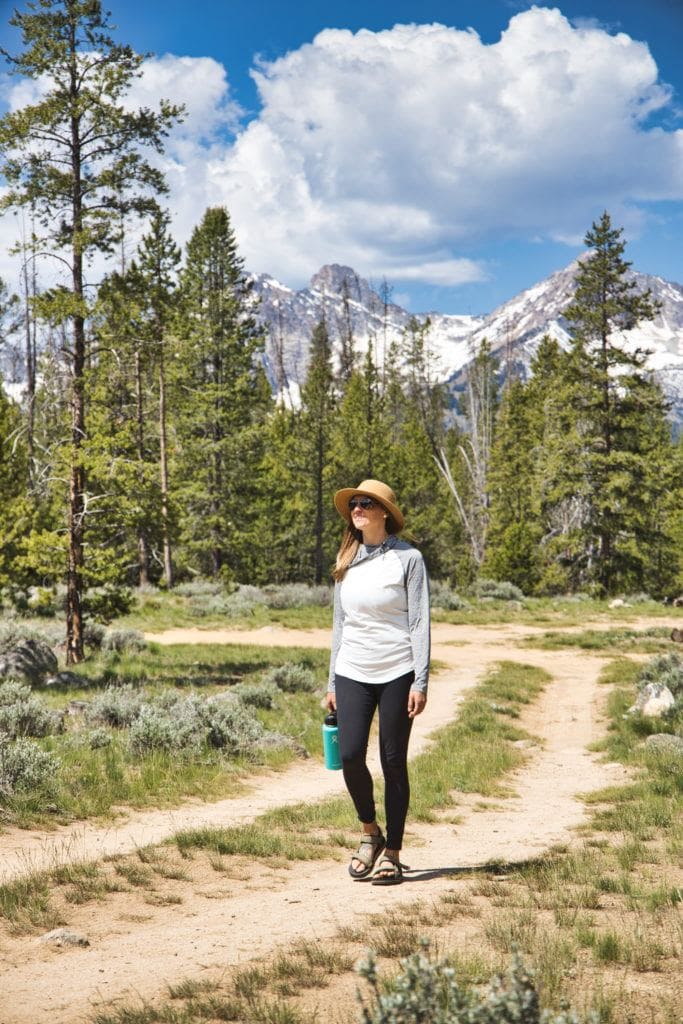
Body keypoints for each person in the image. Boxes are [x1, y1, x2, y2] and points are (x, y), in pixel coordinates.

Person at [326, 479, 430, 885]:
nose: (358, 508)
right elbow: (339, 623)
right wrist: (332, 681)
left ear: (384, 512)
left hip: (397, 672)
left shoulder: (409, 559)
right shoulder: (346, 557)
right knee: (350, 754)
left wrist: (420, 680)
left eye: (366, 503)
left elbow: (419, 622)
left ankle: (394, 852)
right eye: (354, 503)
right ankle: (370, 832)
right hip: (352, 670)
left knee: (392, 761)